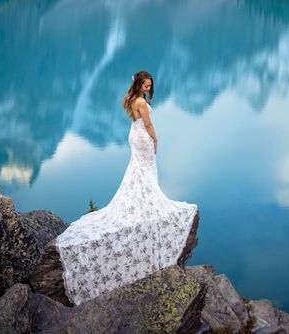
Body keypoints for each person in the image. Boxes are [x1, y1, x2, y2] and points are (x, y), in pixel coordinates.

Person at [55, 71, 197, 305]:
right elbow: (149, 124)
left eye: (149, 85)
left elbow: (138, 120)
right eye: (145, 85)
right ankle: (147, 201)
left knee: (138, 170)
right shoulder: (141, 101)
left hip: (133, 136)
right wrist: (156, 139)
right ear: (139, 84)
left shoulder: (131, 100)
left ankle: (141, 199)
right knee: (146, 170)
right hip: (142, 137)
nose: (147, 88)